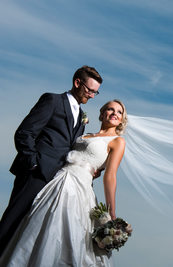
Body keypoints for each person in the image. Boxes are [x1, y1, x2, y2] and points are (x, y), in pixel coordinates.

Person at [0, 100, 127, 267]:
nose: (114, 113)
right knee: (37, 221)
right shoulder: (84, 133)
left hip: (79, 186)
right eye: (110, 109)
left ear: (121, 119)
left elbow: (110, 176)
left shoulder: (117, 141)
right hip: (58, 178)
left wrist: (111, 211)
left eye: (119, 112)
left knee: (69, 229)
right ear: (102, 113)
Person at [0, 65, 102, 257]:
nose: (92, 96)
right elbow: (25, 132)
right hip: (36, 174)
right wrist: (33, 163)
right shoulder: (53, 100)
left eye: (96, 92)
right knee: (13, 221)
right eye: (90, 90)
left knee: (28, 230)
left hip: (58, 181)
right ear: (77, 83)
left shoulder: (81, 117)